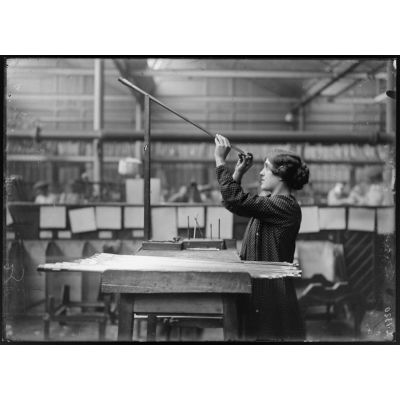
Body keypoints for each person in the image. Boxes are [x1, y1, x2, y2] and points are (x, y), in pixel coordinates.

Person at [214, 134, 309, 341]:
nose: (261, 173)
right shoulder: (270, 203)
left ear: (281, 174)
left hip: (272, 295)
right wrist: (238, 172)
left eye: (266, 168)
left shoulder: (284, 206)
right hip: (260, 291)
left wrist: (220, 161)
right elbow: (231, 202)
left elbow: (235, 199)